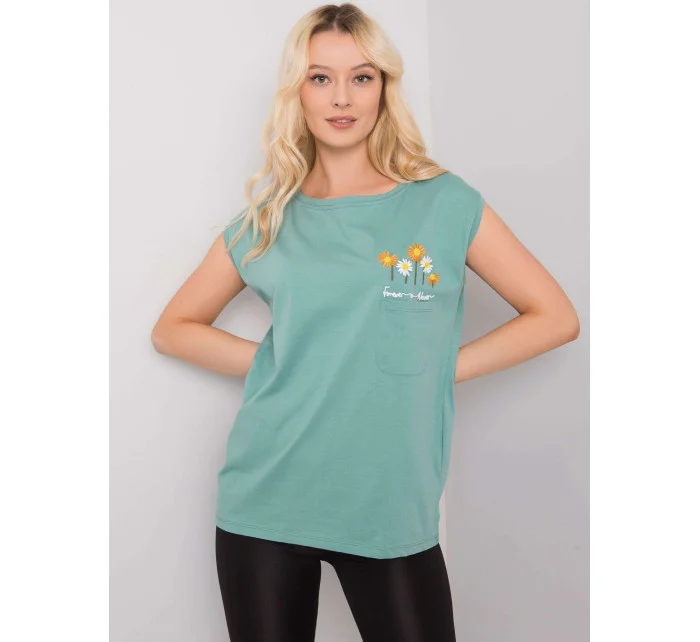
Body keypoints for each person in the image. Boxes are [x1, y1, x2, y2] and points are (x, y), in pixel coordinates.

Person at [151, 4, 580, 641]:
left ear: (384, 87)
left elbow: (555, 316)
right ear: (297, 91)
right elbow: (174, 327)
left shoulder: (444, 202)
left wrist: (438, 368)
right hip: (267, 498)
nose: (342, 97)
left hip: (389, 506)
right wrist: (279, 362)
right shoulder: (270, 219)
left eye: (362, 77)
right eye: (320, 78)